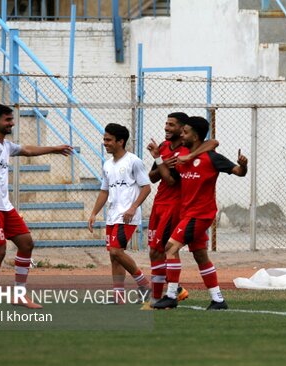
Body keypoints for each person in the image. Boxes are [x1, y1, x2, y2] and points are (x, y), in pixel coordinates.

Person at [0, 104, 73, 311]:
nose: (12, 123)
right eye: (8, 119)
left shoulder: (6, 145)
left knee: (26, 243)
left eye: (12, 119)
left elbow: (27, 150)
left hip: (3, 206)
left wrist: (55, 148)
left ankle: (19, 294)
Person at [147, 116, 247, 310]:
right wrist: (159, 158)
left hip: (200, 214)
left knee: (170, 248)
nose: (181, 135)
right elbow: (167, 179)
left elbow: (238, 171)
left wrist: (243, 165)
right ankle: (218, 300)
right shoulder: (181, 158)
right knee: (200, 256)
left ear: (195, 135)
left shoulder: (212, 157)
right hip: (187, 213)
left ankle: (171, 295)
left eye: (185, 132)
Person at [146, 112, 219, 307]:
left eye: (172, 125)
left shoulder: (185, 152)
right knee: (162, 251)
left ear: (183, 129)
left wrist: (162, 162)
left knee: (162, 250)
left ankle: (163, 296)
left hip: (175, 207)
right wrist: (160, 160)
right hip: (159, 204)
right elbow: (153, 177)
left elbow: (170, 180)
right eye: (166, 124)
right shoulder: (163, 147)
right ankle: (176, 291)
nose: (166, 128)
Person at [88, 123, 152, 304]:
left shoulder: (134, 161)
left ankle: (144, 284)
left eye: (108, 140)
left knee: (117, 251)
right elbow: (104, 191)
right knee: (113, 255)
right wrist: (94, 213)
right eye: (104, 139)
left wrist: (133, 208)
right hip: (112, 216)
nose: (105, 143)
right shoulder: (107, 164)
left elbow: (146, 188)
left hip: (127, 216)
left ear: (120, 141)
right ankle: (118, 296)